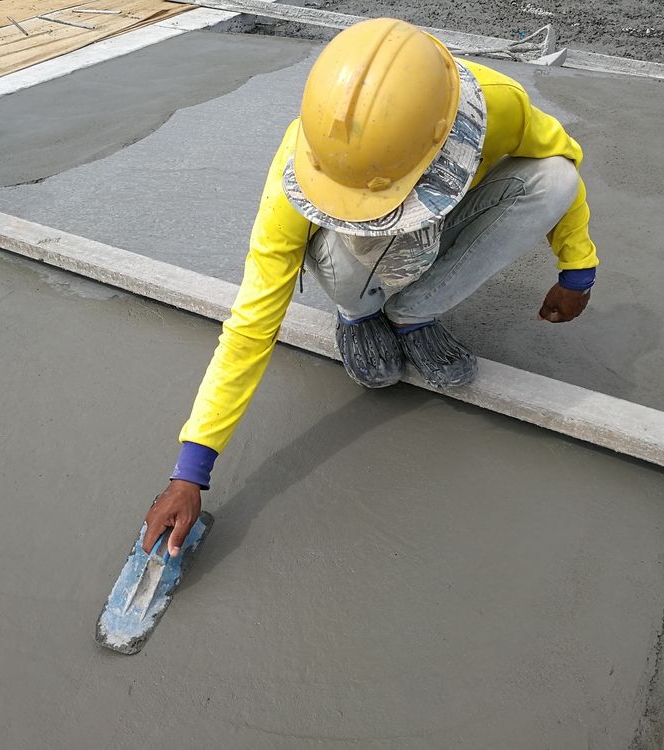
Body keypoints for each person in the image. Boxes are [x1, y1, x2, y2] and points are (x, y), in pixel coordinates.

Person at [143, 17, 598, 555]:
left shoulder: (497, 104)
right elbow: (252, 324)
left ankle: (414, 313)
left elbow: (561, 160)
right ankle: (359, 314)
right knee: (365, 248)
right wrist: (191, 469)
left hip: (440, 215)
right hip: (354, 266)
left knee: (556, 180)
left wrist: (577, 267)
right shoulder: (300, 170)